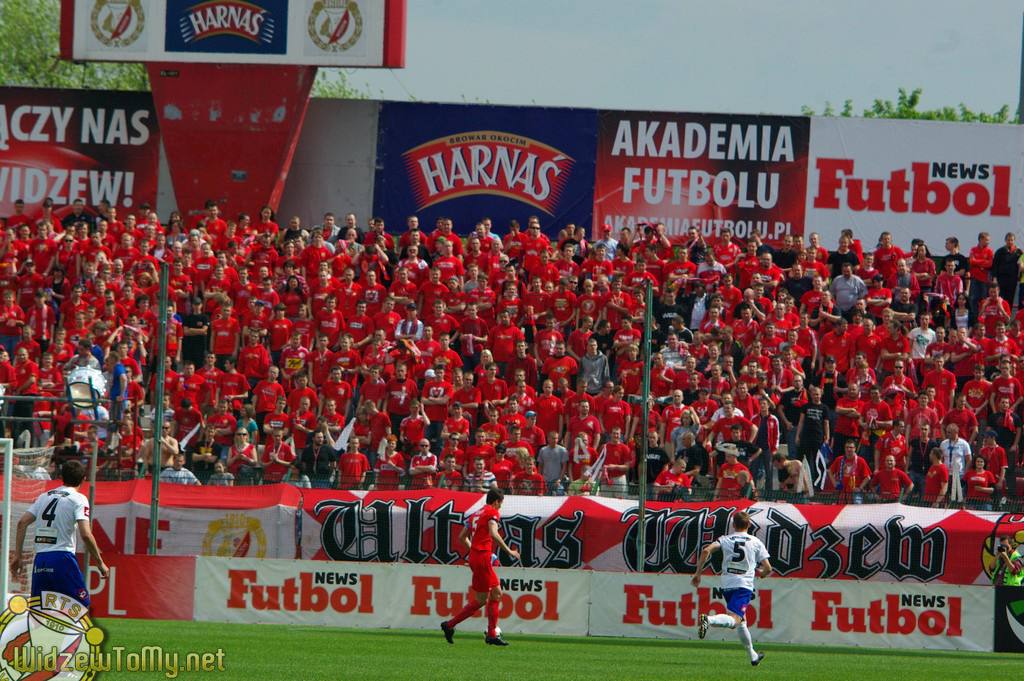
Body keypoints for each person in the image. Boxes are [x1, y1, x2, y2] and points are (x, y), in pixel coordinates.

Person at [10, 461, 109, 607]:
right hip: (62, 557)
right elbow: (86, 535)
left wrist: (18, 556)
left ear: (61, 477)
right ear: (84, 479)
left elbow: (22, 523)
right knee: (80, 604)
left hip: (41, 559)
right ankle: (75, 631)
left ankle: (42, 630)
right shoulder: (78, 499)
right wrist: (100, 563)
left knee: (41, 609)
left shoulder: (44, 496)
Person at [441, 488, 521, 646]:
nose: (500, 508)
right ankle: (449, 625)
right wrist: (509, 551)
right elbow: (493, 532)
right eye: (500, 504)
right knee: (481, 599)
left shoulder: (475, 514)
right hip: (483, 557)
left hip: (477, 557)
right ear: (496, 502)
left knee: (497, 594)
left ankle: (491, 634)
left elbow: (462, 537)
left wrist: (474, 552)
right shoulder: (492, 512)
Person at [693, 511, 771, 666]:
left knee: (742, 622)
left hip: (727, 585)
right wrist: (761, 574)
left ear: (734, 525)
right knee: (735, 621)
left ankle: (753, 656)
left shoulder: (725, 539)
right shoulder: (756, 542)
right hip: (744, 586)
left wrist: (698, 573)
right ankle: (709, 619)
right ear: (749, 525)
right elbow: (768, 568)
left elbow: (706, 550)